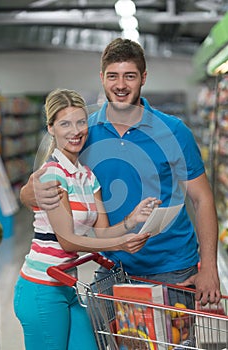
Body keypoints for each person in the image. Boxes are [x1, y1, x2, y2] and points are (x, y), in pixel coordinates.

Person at [20, 38, 221, 307]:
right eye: (113, 76)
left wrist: (208, 266)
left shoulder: (174, 131)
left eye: (130, 76)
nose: (121, 85)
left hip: (173, 270)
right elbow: (44, 176)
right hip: (113, 269)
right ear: (102, 78)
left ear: (143, 78)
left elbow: (202, 199)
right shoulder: (84, 131)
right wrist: (27, 193)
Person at [14, 88, 160, 350]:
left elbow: (101, 232)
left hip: (67, 286)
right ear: (51, 129)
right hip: (41, 288)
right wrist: (121, 244)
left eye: (81, 122)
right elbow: (68, 241)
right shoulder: (51, 176)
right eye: (65, 124)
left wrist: (132, 220)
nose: (75, 130)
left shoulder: (87, 176)